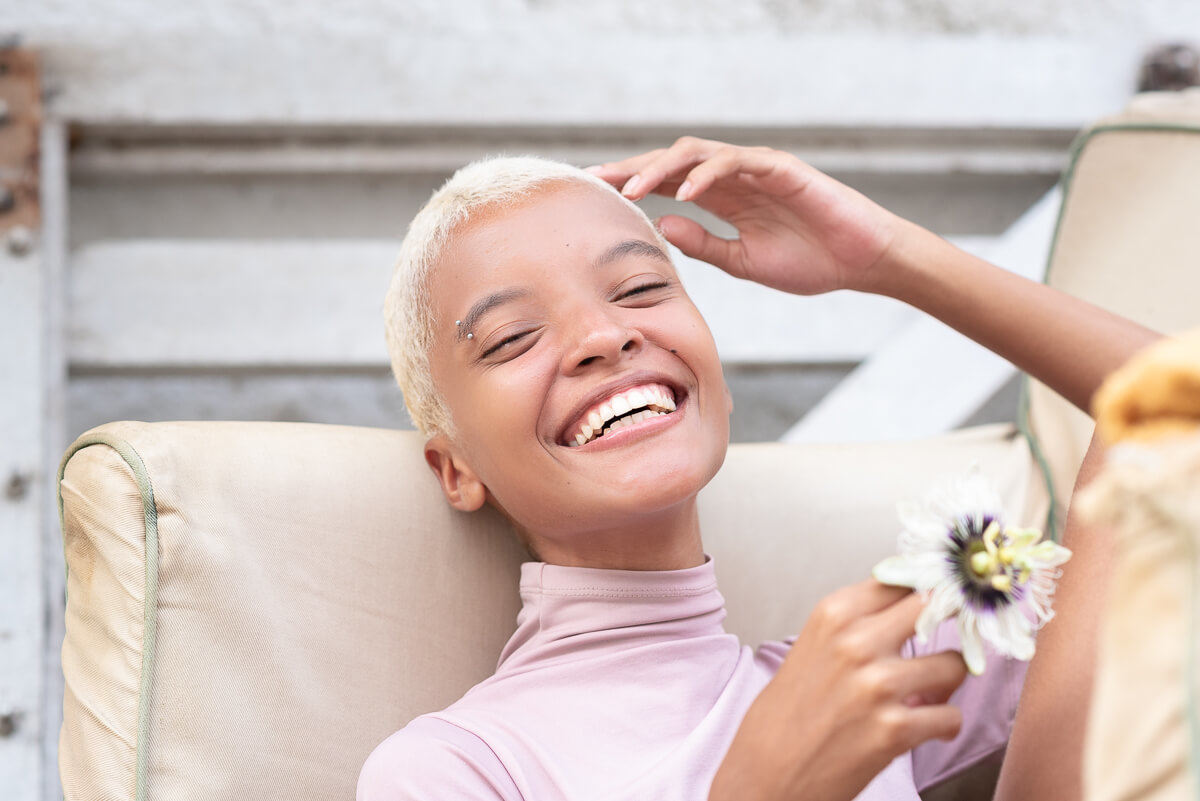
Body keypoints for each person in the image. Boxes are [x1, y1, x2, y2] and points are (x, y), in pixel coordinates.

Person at [357, 138, 1158, 801]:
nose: (603, 334)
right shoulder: (455, 767)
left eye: (639, 287)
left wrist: (889, 257)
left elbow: (1169, 418)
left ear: (720, 387)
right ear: (454, 469)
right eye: (511, 339)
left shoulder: (879, 679)